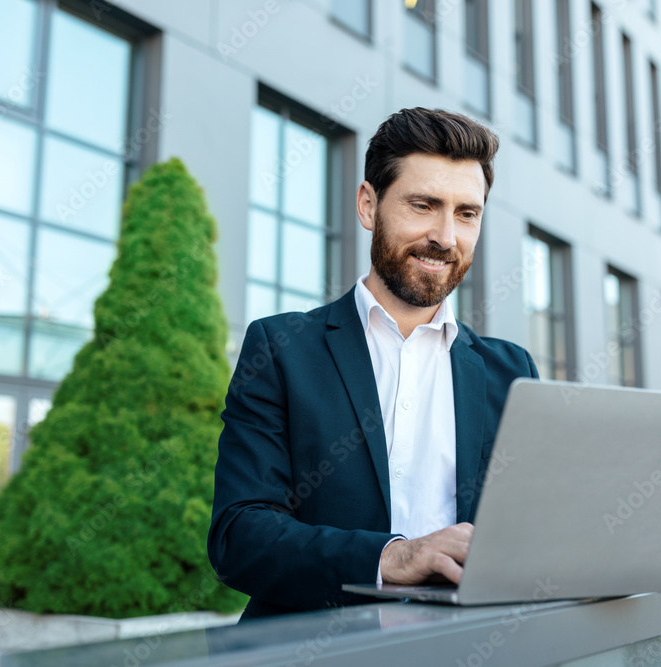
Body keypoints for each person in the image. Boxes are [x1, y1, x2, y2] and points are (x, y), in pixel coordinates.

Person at [208, 107, 538, 620]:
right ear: (368, 205)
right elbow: (240, 535)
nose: (446, 236)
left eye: (466, 213)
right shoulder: (281, 348)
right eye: (424, 205)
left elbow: (527, 534)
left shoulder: (510, 371)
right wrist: (391, 557)